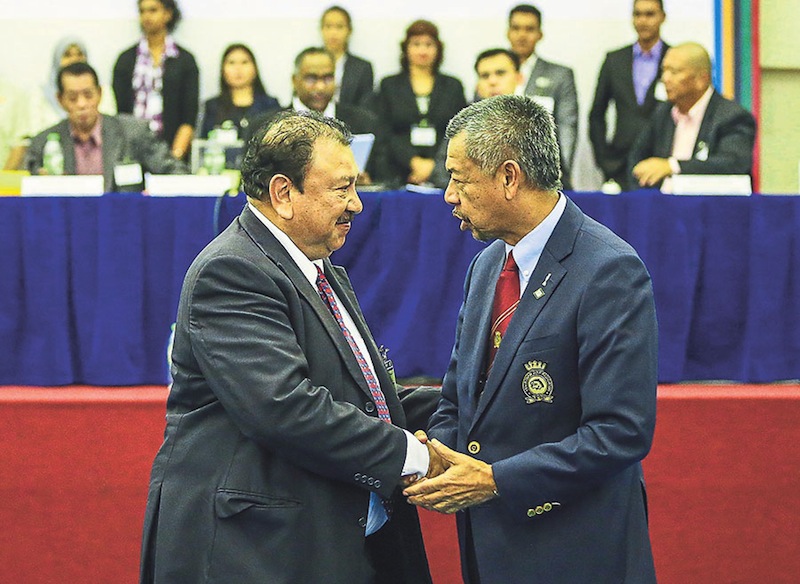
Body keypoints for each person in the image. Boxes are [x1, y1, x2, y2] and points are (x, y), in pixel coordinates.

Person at [139, 109, 440, 583]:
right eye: (343, 188)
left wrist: (469, 408)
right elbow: (285, 408)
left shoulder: (315, 268)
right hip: (256, 553)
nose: (357, 205)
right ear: (283, 193)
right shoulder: (233, 272)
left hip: (323, 542)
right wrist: (417, 456)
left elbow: (363, 398)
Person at [403, 95, 658, 584]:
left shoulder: (609, 271)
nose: (448, 196)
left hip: (574, 552)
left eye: (458, 178)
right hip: (491, 548)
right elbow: (460, 399)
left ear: (508, 177)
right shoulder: (486, 266)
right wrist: (433, 456)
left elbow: (620, 431)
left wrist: (497, 481)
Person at [24, 62, 186, 192]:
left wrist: (153, 193)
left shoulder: (133, 132)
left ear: (100, 93)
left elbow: (176, 173)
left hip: (124, 221)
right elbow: (26, 189)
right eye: (73, 98)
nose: (82, 104)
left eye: (88, 95)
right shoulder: (43, 143)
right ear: (60, 100)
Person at [627, 42, 756, 191]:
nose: (665, 79)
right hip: (660, 206)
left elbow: (733, 163)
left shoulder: (732, 117)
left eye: (674, 72)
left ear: (701, 79)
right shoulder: (662, 113)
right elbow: (636, 159)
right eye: (664, 70)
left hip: (706, 209)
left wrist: (672, 166)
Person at [589, 0, 669, 190]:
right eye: (637, 14)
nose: (643, 21)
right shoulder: (615, 60)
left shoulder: (674, 58)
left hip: (660, 162)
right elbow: (597, 114)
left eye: (650, 14)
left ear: (662, 17)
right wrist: (604, 160)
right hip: (619, 164)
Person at [375, 19, 466, 186]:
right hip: (397, 171)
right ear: (406, 48)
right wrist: (413, 162)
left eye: (428, 44)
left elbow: (459, 130)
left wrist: (433, 165)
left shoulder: (453, 86)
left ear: (438, 48)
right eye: (416, 44)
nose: (422, 50)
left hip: (444, 171)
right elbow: (384, 131)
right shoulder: (389, 85)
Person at [113, 0, 199, 161]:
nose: (146, 16)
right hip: (131, 151)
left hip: (171, 148)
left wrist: (174, 158)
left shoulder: (184, 60)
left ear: (168, 14)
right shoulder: (126, 60)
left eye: (153, 10)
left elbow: (189, 116)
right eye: (142, 11)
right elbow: (120, 115)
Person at [507, 4, 578, 190]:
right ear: (508, 32)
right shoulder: (493, 71)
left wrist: (559, 171)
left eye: (529, 29)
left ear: (540, 34)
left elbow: (567, 126)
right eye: (516, 28)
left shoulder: (560, 75)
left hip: (544, 174)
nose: (522, 35)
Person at [429, 48, 521, 189]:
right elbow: (441, 171)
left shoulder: (535, 119)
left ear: (519, 78)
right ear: (477, 85)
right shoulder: (464, 123)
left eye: (500, 73)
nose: (492, 81)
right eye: (485, 76)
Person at [31, 36, 118, 135]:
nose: (74, 59)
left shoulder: (104, 91)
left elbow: (109, 127)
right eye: (67, 55)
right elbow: (36, 134)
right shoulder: (40, 94)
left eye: (79, 54)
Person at [199, 43, 280, 140]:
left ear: (255, 69)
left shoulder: (270, 105)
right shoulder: (212, 106)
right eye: (231, 63)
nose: (238, 68)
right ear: (223, 70)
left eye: (244, 62)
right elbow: (205, 142)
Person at [320, 5, 375, 108]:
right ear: (321, 30)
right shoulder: (310, 63)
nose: (333, 33)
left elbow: (366, 108)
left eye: (339, 27)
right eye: (328, 26)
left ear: (349, 31)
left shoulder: (362, 67)